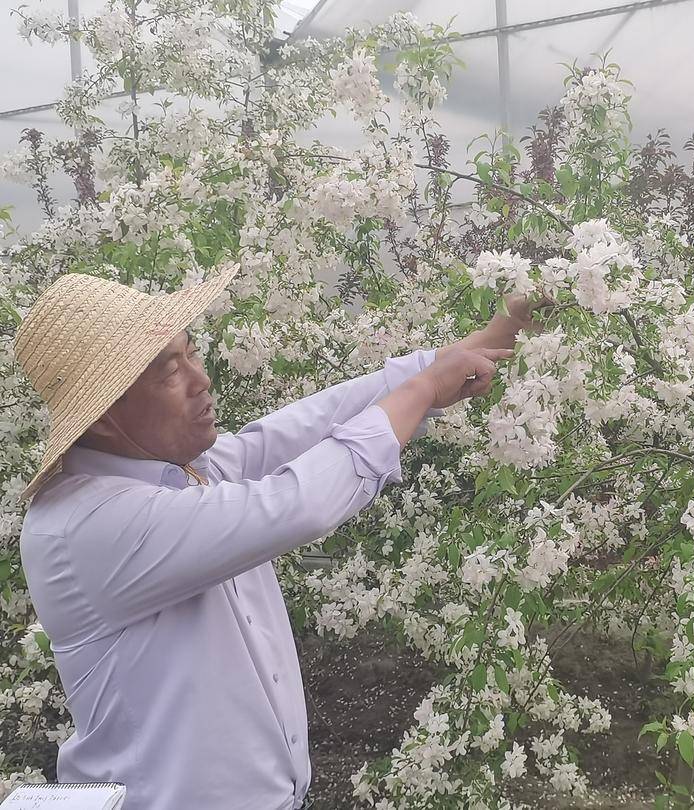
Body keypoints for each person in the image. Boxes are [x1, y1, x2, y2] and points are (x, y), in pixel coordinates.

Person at [13, 265, 548, 810]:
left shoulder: (183, 471)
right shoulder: (86, 525)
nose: (201, 380)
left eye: (191, 352)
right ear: (104, 418)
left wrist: (492, 335)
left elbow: (305, 425)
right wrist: (424, 389)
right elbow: (299, 503)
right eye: (169, 372)